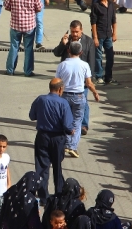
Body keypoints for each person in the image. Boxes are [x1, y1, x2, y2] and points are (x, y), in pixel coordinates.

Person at [30, 78, 73, 206]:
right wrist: (72, 131)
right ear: (60, 89)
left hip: (42, 136)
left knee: (42, 167)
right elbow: (68, 126)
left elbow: (32, 116)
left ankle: (43, 197)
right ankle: (58, 195)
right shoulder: (63, 103)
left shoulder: (40, 99)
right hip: (58, 139)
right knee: (57, 167)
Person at [56, 41, 100, 158]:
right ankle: (72, 147)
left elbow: (57, 83)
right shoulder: (85, 65)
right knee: (77, 121)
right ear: (81, 52)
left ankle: (65, 144)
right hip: (79, 96)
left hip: (64, 95)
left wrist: (56, 96)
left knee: (65, 120)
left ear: (68, 51)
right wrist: (95, 93)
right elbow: (89, 83)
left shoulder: (62, 65)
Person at [52, 20, 95, 135]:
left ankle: (84, 125)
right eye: (73, 32)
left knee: (84, 102)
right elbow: (56, 53)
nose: (75, 34)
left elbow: (91, 60)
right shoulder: (67, 40)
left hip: (82, 77)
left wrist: (90, 78)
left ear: (81, 30)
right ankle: (67, 124)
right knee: (66, 104)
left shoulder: (88, 41)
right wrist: (63, 43)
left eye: (77, 32)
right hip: (68, 78)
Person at [5, 0, 42, 76]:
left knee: (13, 47)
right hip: (29, 26)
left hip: (15, 25)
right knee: (28, 48)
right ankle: (28, 71)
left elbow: (7, 6)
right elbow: (39, 8)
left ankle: (10, 70)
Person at [90, 0, 118, 85]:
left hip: (108, 35)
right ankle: (98, 76)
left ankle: (108, 77)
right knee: (98, 57)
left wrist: (114, 33)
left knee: (110, 56)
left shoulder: (111, 4)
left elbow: (113, 20)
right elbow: (93, 22)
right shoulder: (96, 5)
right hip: (99, 34)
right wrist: (95, 37)